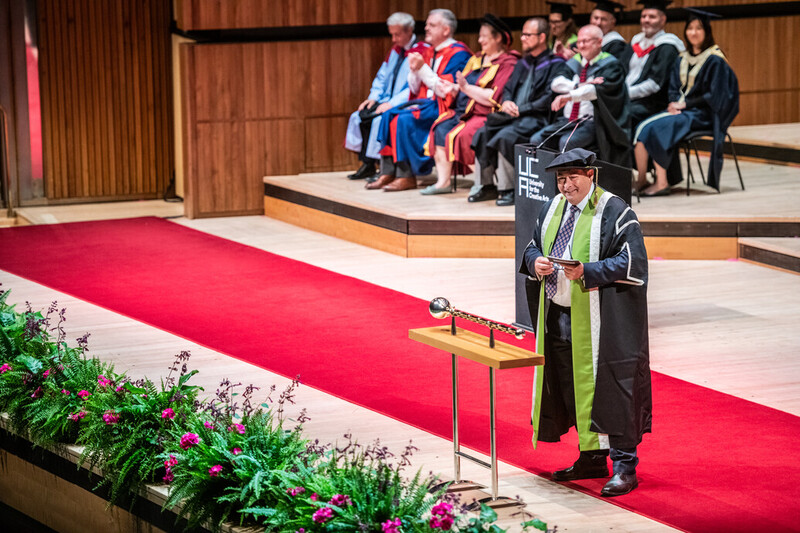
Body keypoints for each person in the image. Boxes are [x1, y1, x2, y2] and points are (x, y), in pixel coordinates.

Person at [519, 147, 652, 498]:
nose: (565, 186)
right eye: (560, 179)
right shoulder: (551, 209)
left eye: (572, 177)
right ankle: (592, 457)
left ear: (591, 175)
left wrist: (587, 271)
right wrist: (535, 263)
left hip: (603, 321)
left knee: (613, 389)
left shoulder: (615, 211)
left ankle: (625, 467)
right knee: (573, 388)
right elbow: (533, 246)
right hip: (560, 317)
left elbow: (634, 263)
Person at [633, 9, 739, 196]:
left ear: (707, 31)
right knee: (643, 129)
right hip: (682, 112)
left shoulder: (715, 60)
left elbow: (715, 95)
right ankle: (642, 179)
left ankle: (662, 182)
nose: (693, 32)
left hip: (704, 114)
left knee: (658, 129)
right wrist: (674, 103)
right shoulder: (682, 58)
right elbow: (673, 87)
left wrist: (685, 105)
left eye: (699, 28)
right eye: (690, 28)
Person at [370, 9, 471, 192]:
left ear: (446, 30)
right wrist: (414, 71)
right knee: (388, 115)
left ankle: (406, 175)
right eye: (427, 24)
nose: (426, 28)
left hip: (445, 107)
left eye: (432, 25)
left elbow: (445, 90)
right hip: (426, 103)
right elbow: (416, 89)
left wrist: (422, 69)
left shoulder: (459, 54)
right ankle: (388, 172)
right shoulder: (428, 50)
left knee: (402, 120)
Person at [469, 17, 567, 205]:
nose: (522, 38)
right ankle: (486, 185)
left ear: (541, 37)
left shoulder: (556, 63)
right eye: (522, 34)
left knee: (505, 136)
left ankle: (508, 188)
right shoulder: (523, 63)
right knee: (482, 132)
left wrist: (520, 110)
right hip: (514, 115)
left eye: (527, 35)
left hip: (537, 117)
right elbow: (508, 89)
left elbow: (548, 98)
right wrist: (506, 103)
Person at [421, 14, 519, 195]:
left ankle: (482, 182)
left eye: (484, 37)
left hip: (487, 114)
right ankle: (443, 182)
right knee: (440, 128)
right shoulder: (477, 59)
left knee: (464, 135)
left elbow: (495, 96)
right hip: (465, 110)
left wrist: (465, 88)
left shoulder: (508, 63)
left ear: (498, 38)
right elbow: (464, 85)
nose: (480, 40)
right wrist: (455, 87)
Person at [529, 25, 631, 168]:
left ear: (599, 42)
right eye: (579, 42)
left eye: (586, 41)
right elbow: (556, 83)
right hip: (567, 120)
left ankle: (570, 186)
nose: (581, 45)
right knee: (536, 139)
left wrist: (570, 95)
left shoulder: (611, 65)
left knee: (567, 141)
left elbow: (595, 91)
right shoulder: (574, 62)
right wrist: (579, 86)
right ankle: (545, 185)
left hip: (593, 122)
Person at [344, 13, 418, 181]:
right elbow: (382, 77)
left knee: (379, 120)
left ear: (409, 31)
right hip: (386, 98)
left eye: (397, 34)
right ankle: (367, 164)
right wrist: (373, 97)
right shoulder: (395, 51)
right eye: (391, 34)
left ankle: (383, 169)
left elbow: (414, 87)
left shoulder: (420, 51)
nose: (394, 39)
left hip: (405, 102)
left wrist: (391, 103)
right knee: (360, 115)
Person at [621, 0, 684, 130]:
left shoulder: (667, 46)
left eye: (652, 17)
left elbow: (654, 85)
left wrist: (624, 93)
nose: (646, 20)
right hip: (629, 97)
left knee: (623, 114)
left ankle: (628, 150)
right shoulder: (635, 42)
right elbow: (620, 70)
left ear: (662, 20)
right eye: (643, 16)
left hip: (651, 103)